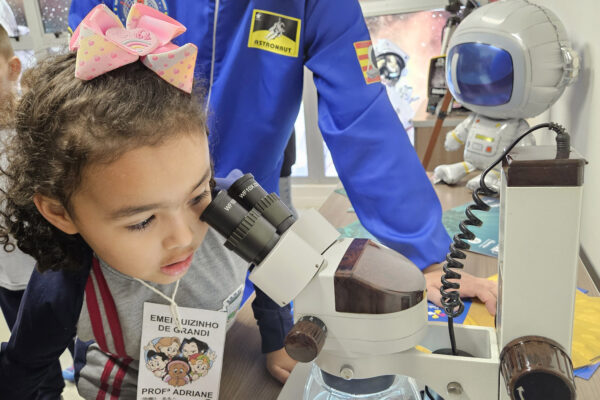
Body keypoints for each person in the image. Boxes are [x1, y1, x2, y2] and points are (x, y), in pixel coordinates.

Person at [69, 0, 498, 383]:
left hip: (247, 212)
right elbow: (87, 114)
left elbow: (360, 113)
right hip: (132, 230)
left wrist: (425, 254)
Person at [0, 4, 291, 397]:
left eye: (196, 195)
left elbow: (274, 261)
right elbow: (26, 371)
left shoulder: (230, 212)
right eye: (142, 221)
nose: (183, 237)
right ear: (60, 212)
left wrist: (276, 338)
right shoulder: (64, 281)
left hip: (226, 367)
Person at [0, 22, 72, 399]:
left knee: (89, 348)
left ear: (12, 69)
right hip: (10, 283)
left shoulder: (34, 129)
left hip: (61, 273)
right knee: (34, 369)